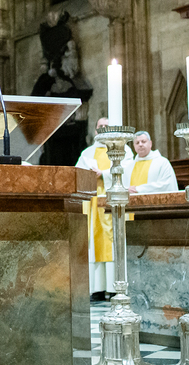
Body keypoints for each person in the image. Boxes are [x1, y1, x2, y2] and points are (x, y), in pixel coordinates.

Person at [76, 116, 133, 301]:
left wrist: (104, 174)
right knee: (94, 245)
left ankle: (116, 287)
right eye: (99, 126)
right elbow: (77, 173)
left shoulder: (123, 149)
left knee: (113, 241)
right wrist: (90, 175)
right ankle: (97, 289)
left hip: (113, 201)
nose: (102, 128)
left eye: (106, 126)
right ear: (95, 130)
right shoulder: (87, 153)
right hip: (92, 204)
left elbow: (128, 168)